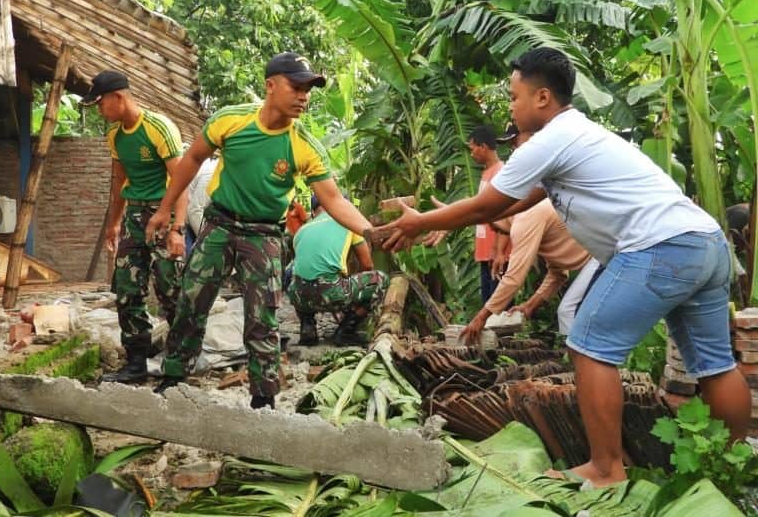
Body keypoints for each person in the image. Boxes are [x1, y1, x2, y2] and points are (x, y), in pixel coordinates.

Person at [381, 47, 749, 488]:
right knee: (713, 363)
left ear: (541, 98)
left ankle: (605, 469)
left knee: (590, 345)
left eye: (514, 98)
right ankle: (730, 464)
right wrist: (442, 219)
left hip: (661, 245)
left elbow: (491, 203)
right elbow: (513, 204)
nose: (511, 109)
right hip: (705, 243)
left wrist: (421, 220)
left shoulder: (553, 138)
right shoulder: (581, 137)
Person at [146, 52, 374, 409]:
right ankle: (173, 378)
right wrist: (164, 210)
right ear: (271, 85)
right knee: (192, 301)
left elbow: (333, 200)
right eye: (296, 86)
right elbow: (191, 160)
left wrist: (371, 231)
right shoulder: (231, 120)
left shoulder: (304, 146)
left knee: (262, 317)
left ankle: (263, 398)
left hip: (264, 235)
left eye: (308, 90)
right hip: (219, 224)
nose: (304, 96)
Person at [81, 70, 187, 384]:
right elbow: (119, 182)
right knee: (127, 290)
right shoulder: (115, 135)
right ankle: (136, 363)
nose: (100, 111)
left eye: (100, 104)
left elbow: (181, 182)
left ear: (118, 97)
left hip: (163, 214)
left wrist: (177, 228)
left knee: (171, 291)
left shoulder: (159, 127)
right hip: (134, 219)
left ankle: (178, 365)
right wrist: (113, 225)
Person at [464, 126, 599, 338]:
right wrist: (529, 306)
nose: (491, 229)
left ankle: (578, 365)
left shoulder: (525, 220)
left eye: (492, 224)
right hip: (595, 256)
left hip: (602, 255)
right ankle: (575, 362)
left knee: (568, 312)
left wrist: (480, 318)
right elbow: (558, 273)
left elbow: (513, 279)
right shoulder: (527, 216)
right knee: (569, 312)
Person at [287, 193, 389, 346]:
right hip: (329, 292)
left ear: (314, 212)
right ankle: (346, 331)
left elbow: (306, 265)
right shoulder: (349, 223)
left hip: (299, 296)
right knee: (380, 279)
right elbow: (367, 265)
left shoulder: (301, 231)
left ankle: (307, 327)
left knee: (295, 274)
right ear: (344, 207)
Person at [468, 125, 505, 303]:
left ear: (483, 146)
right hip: (486, 252)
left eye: (472, 148)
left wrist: (498, 251)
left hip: (497, 254)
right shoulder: (487, 173)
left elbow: (504, 215)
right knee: (488, 306)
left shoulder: (500, 173)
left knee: (498, 312)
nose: (471, 153)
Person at [184, 155, 218, 253]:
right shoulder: (213, 173)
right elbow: (195, 210)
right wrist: (208, 242)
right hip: (187, 223)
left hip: (194, 221)